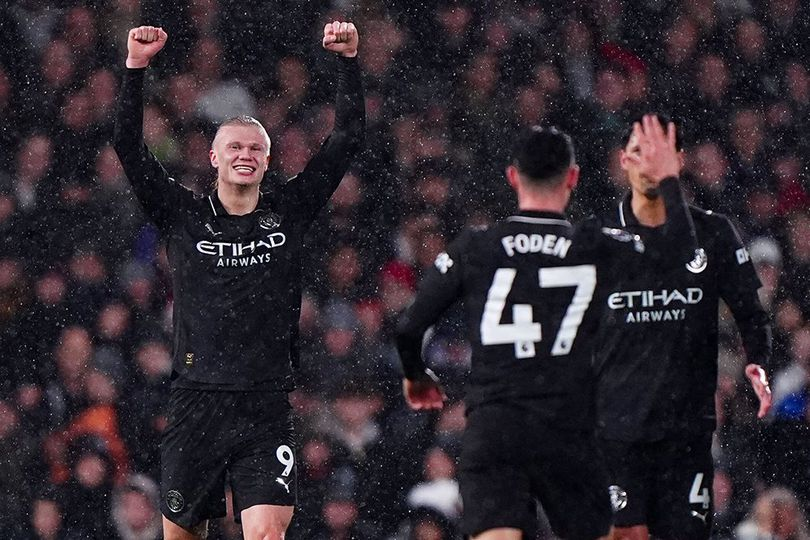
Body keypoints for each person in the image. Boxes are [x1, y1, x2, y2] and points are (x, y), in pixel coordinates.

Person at [112, 23, 364, 540]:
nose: (244, 154)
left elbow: (346, 140)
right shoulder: (182, 214)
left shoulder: (289, 210)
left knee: (268, 534)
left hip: (264, 405)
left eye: (255, 147)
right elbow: (128, 146)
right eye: (233, 146)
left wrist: (348, 62)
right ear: (214, 157)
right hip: (195, 402)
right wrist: (135, 68)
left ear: (268, 160)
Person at [396, 116, 693, 540]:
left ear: (512, 177)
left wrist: (416, 374)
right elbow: (681, 259)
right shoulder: (594, 245)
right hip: (567, 427)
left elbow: (409, 328)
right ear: (572, 178)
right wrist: (666, 181)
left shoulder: (476, 247)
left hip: (496, 425)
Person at [588, 115, 773, 540]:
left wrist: (758, 361)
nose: (649, 164)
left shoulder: (714, 232)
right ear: (623, 161)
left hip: (687, 432)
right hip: (617, 432)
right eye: (640, 152)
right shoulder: (598, 236)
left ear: (679, 162)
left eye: (660, 154)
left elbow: (751, 313)